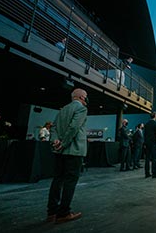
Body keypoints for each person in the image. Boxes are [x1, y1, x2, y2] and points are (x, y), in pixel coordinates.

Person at [46, 88, 89, 224]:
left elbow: (53, 128)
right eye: (86, 96)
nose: (87, 98)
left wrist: (55, 141)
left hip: (59, 151)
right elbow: (73, 128)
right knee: (70, 182)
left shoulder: (63, 109)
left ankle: (52, 212)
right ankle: (63, 213)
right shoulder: (81, 109)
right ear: (82, 97)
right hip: (74, 151)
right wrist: (63, 143)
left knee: (57, 180)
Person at [144, 112, 156, 178]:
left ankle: (147, 173)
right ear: (155, 116)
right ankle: (154, 173)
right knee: (154, 158)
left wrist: (145, 143)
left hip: (147, 143)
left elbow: (145, 135)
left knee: (147, 159)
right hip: (153, 143)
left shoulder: (146, 124)